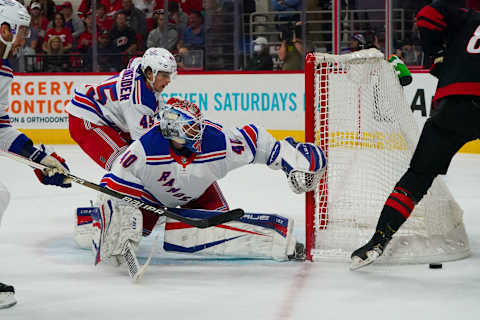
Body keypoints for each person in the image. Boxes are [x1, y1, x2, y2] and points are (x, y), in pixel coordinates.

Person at [79, 97, 325, 273]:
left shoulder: (216, 141)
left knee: (213, 231)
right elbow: (113, 185)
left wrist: (290, 159)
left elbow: (256, 140)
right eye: (190, 128)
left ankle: (278, 241)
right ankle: (89, 222)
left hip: (199, 193)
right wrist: (118, 221)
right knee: (133, 232)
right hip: (154, 198)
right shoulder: (143, 151)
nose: (198, 132)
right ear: (172, 129)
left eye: (197, 126)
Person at [351, 0, 480, 270]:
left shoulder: (467, 18)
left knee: (418, 176)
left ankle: (378, 240)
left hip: (453, 104)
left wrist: (437, 54)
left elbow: (428, 13)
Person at [0, 0, 71, 309]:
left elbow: (0, 127)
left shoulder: (3, 71)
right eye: (21, 31)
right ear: (4, 29)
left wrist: (39, 157)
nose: (24, 39)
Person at [65, 47, 177, 171]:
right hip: (86, 117)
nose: (168, 81)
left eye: (170, 75)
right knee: (126, 166)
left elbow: (134, 61)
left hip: (108, 115)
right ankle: (118, 186)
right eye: (165, 75)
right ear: (150, 73)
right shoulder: (140, 101)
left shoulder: (140, 66)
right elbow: (143, 145)